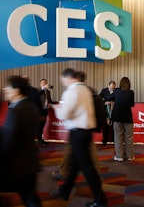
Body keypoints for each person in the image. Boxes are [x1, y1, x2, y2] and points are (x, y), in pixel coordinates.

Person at [52, 68, 107, 207]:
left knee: (87, 168)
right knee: (75, 165)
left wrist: (57, 109)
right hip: (86, 132)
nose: (63, 83)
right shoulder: (86, 90)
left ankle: (100, 201)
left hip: (77, 133)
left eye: (63, 80)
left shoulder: (71, 91)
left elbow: (64, 115)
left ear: (69, 77)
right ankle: (65, 191)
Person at [0, 76, 42, 207]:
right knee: (30, 197)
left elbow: (8, 140)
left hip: (16, 165)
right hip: (30, 162)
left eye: (8, 88)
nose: (5, 90)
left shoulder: (15, 111)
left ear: (16, 91)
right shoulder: (31, 108)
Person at [108, 77, 135, 161]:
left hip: (117, 117)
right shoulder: (131, 92)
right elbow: (132, 104)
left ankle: (119, 156)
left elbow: (109, 97)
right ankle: (130, 156)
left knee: (118, 136)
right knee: (129, 137)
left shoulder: (116, 91)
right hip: (127, 117)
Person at [99, 80, 116, 146]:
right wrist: (104, 102)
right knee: (105, 126)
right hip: (105, 111)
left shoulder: (116, 91)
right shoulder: (104, 91)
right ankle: (104, 140)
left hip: (114, 110)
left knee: (114, 126)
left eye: (113, 88)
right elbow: (99, 99)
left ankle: (114, 141)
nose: (112, 89)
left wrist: (113, 103)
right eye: (111, 87)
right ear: (108, 86)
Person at [37, 79, 52, 146]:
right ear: (40, 84)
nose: (44, 84)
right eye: (43, 83)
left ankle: (41, 139)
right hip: (39, 111)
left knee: (42, 126)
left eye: (45, 83)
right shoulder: (38, 90)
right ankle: (39, 140)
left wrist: (49, 104)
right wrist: (43, 88)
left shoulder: (48, 91)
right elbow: (38, 95)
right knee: (39, 126)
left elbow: (50, 100)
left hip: (45, 110)